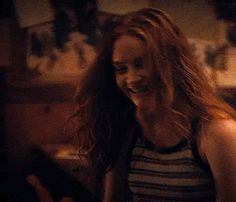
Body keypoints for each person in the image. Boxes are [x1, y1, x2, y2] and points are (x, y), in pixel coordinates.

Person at [28, 8, 236, 202]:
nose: (131, 79)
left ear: (171, 62)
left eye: (140, 64)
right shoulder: (126, 128)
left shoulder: (218, 133)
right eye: (121, 69)